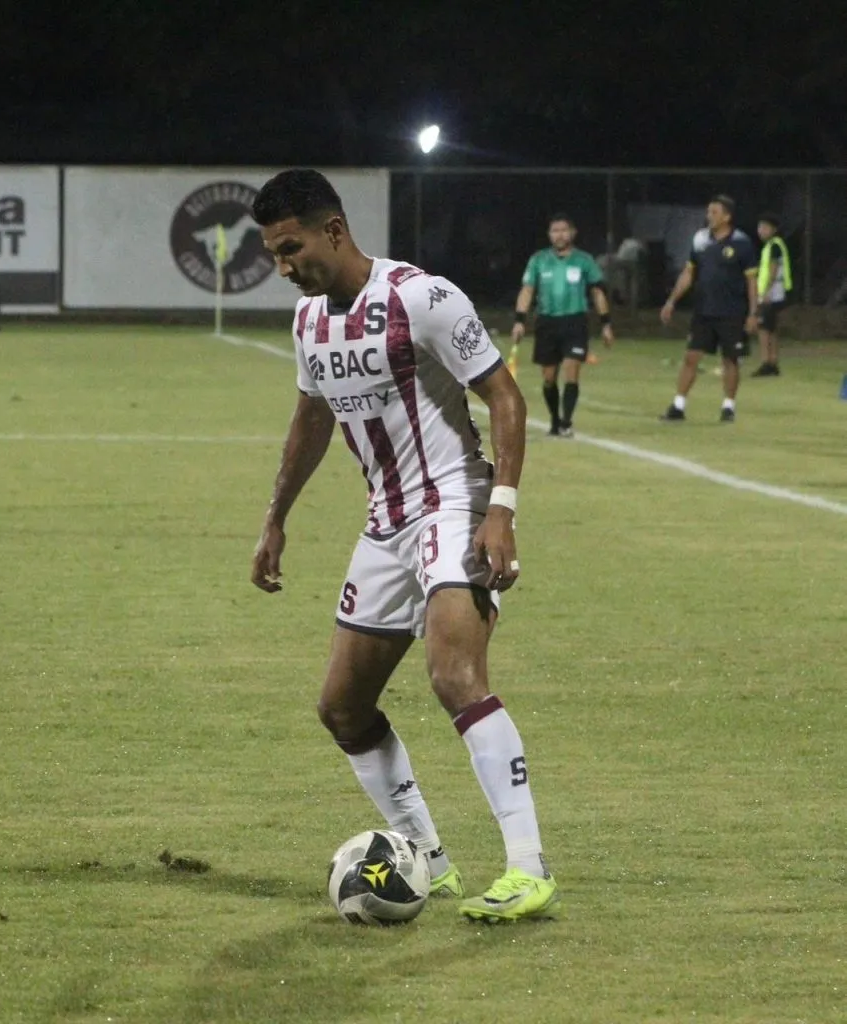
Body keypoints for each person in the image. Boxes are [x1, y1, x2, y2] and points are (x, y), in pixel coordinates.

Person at [249, 169, 560, 923]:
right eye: (273, 256)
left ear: (335, 230)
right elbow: (312, 420)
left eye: (292, 249)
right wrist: (276, 517)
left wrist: (502, 512)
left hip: (454, 502)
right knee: (342, 707)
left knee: (454, 674)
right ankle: (431, 859)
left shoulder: (421, 297)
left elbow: (506, 396)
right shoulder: (308, 323)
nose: (285, 268)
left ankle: (528, 866)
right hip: (385, 523)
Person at [510, 214, 614, 437]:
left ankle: (567, 421)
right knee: (548, 378)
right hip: (547, 323)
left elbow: (597, 292)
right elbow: (527, 290)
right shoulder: (539, 260)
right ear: (549, 235)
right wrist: (519, 321)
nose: (559, 234)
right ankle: (555, 421)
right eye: (555, 231)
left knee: (571, 370)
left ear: (573, 233)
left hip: (575, 322)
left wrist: (606, 324)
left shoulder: (584, 260)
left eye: (564, 230)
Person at [659, 195, 758, 423]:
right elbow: (689, 272)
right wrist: (672, 301)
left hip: (733, 312)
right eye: (708, 212)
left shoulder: (742, 243)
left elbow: (751, 280)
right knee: (691, 357)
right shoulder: (700, 239)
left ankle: (728, 407)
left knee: (730, 360)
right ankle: (678, 406)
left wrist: (753, 312)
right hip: (704, 311)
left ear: (727, 217)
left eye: (714, 212)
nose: (709, 216)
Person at [752, 212, 792, 377]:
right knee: (772, 328)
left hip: (772, 294)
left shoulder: (774, 246)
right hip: (778, 293)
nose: (761, 231)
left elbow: (773, 269)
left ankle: (766, 362)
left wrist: (766, 292)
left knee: (763, 328)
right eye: (759, 227)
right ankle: (773, 362)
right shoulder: (776, 244)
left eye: (765, 227)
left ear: (774, 229)